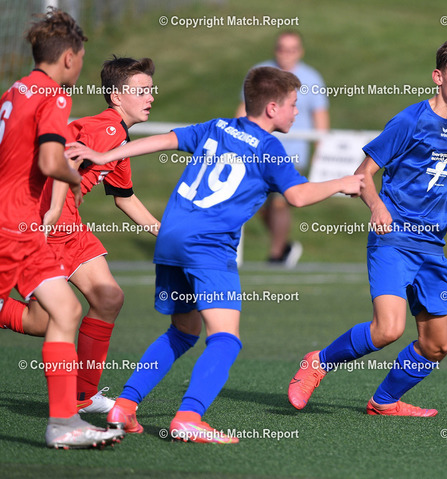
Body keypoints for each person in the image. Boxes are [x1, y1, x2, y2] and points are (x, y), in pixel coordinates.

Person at [65, 66, 364, 443]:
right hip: (207, 246)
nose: (296, 112)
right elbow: (298, 196)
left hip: (171, 238)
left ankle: (124, 406)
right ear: (272, 108)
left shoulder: (218, 126)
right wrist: (343, 183)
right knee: (225, 338)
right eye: (292, 104)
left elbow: (161, 141)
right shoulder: (269, 148)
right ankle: (188, 417)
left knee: (183, 331)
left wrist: (102, 154)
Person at [288, 35, 447, 417]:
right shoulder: (410, 121)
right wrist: (377, 207)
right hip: (392, 239)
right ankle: (318, 362)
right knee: (388, 329)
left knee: (437, 346)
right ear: (438, 77)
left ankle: (384, 401)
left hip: (432, 249)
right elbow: (362, 175)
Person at [0, 56, 161, 415]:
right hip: (46, 224)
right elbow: (66, 157)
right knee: (43, 321)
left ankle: (82, 396)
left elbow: (124, 197)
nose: (150, 97)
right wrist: (55, 208)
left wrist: (163, 234)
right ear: (116, 97)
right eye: (141, 91)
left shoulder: (118, 137)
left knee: (108, 299)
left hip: (70, 229)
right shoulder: (107, 129)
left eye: (151, 90)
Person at [0, 8, 124, 448]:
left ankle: (63, 421)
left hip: (25, 224)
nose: (81, 66)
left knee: (66, 311)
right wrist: (74, 177)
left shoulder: (14, 90)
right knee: (61, 312)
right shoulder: (53, 96)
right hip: (13, 223)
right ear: (69, 57)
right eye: (82, 58)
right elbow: (51, 161)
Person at [236, 30, 329, 267]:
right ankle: (284, 246)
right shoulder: (260, 73)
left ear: (300, 51)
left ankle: (276, 256)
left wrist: (321, 151)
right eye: (281, 48)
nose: (286, 54)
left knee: (280, 201)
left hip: (291, 153)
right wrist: (237, 140)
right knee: (257, 203)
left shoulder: (311, 78)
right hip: (259, 151)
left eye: (291, 49)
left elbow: (320, 119)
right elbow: (243, 109)